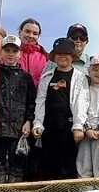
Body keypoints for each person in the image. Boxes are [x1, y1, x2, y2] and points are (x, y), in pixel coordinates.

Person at [0, 35, 36, 184]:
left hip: (18, 128)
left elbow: (31, 102)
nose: (10, 54)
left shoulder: (26, 77)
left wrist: (29, 121)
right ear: (2, 52)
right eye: (7, 50)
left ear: (20, 54)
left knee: (16, 161)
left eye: (14, 51)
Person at [32, 38, 88, 180]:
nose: (62, 57)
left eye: (66, 53)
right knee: (48, 162)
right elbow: (40, 101)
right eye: (59, 54)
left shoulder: (80, 78)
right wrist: (37, 124)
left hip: (69, 127)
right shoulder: (46, 77)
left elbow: (81, 103)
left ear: (72, 56)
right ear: (54, 56)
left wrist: (78, 126)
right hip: (49, 127)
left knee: (68, 162)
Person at [17, 18, 49, 87]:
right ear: (20, 33)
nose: (31, 36)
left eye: (35, 33)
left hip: (38, 96)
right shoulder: (10, 54)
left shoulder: (45, 57)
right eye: (27, 31)